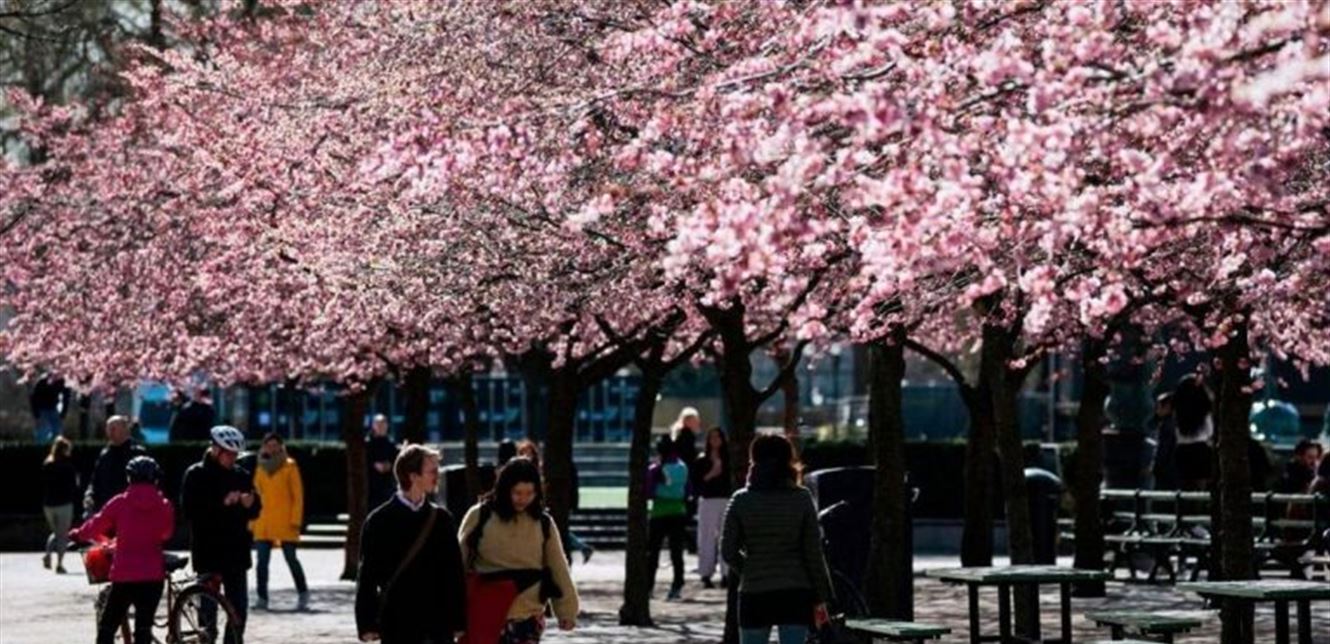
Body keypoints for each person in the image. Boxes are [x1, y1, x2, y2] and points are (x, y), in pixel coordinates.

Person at [721, 434, 833, 644]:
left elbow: (727, 550)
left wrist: (749, 569)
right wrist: (823, 595)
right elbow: (813, 552)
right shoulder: (802, 498)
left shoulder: (741, 500)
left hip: (755, 591)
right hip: (795, 590)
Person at [459, 457, 578, 644]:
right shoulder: (479, 515)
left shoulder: (544, 523)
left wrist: (567, 611)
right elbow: (458, 564)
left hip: (527, 618)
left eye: (530, 493)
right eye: (517, 493)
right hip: (484, 614)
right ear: (505, 489)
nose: (523, 499)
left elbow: (558, 567)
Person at [355, 444, 467, 644]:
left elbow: (454, 573)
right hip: (397, 622)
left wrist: (458, 620)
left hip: (437, 623)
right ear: (413, 476)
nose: (437, 476)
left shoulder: (442, 519)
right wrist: (367, 623)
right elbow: (367, 575)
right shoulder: (379, 521)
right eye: (432, 471)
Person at [70, 456, 174, 644]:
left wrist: (77, 534)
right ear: (155, 479)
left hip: (125, 575)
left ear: (129, 478)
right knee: (143, 628)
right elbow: (165, 534)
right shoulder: (165, 505)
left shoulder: (120, 502)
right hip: (153, 576)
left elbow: (96, 524)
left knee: (107, 627)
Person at [181, 426, 261, 640]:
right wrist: (223, 503)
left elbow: (255, 509)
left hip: (237, 553)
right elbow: (189, 511)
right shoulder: (196, 475)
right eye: (229, 454)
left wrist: (250, 504)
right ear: (216, 450)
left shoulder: (241, 474)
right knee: (207, 613)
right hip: (208, 552)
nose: (233, 459)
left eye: (236, 455)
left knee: (239, 611)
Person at [250, 433, 309, 612]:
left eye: (275, 445)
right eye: (269, 445)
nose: (272, 448)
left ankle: (303, 592)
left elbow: (297, 496)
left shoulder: (290, 466)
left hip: (285, 522)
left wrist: (295, 520)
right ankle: (262, 597)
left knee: (291, 559)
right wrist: (252, 521)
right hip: (263, 522)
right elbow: (255, 493)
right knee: (261, 562)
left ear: (281, 446)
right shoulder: (260, 467)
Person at [515, 440, 594, 564]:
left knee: (554, 530)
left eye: (528, 453)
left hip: (539, 507)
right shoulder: (519, 469)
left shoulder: (540, 468)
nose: (526, 456)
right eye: (523, 453)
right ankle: (582, 547)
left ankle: (581, 547)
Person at [648, 435, 689, 601]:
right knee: (676, 552)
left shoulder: (654, 469)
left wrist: (660, 491)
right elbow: (680, 492)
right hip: (677, 512)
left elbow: (651, 492)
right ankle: (677, 584)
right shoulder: (682, 467)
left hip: (659, 513)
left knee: (653, 552)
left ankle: (649, 586)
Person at [694, 427, 732, 589]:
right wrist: (712, 473)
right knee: (706, 538)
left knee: (726, 537)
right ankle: (706, 573)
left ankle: (727, 573)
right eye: (712, 437)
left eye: (718, 437)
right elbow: (698, 483)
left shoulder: (729, 459)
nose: (715, 440)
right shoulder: (702, 460)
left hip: (725, 499)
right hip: (708, 500)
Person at [85, 416, 147, 514]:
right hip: (106, 510)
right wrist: (89, 495)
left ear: (125, 430)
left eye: (113, 429)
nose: (110, 432)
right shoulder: (105, 455)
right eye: (108, 429)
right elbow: (95, 480)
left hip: (129, 512)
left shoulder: (137, 453)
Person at [41, 436, 80, 574]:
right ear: (64, 450)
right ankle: (60, 563)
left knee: (56, 533)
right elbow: (74, 485)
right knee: (62, 535)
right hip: (64, 504)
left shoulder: (47, 464)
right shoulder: (68, 466)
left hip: (48, 504)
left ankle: (47, 554)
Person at [1170, 375, 1215, 491]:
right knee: (1201, 488)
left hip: (1182, 450)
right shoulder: (1204, 409)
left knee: (1183, 488)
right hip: (1201, 450)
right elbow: (1210, 431)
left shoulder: (1178, 411)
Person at [367, 414, 399, 509]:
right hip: (372, 485)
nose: (381, 427)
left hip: (387, 484)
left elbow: (395, 460)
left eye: (383, 424)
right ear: (373, 426)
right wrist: (374, 465)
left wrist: (389, 465)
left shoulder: (391, 443)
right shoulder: (368, 443)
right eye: (378, 424)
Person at [1150, 391, 1178, 490]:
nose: (1157, 409)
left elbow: (1162, 449)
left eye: (1159, 405)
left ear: (1168, 406)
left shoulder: (1165, 426)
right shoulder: (1178, 423)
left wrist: (1154, 467)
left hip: (1165, 473)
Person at [29, 375, 68, 443]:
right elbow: (34, 397)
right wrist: (36, 413)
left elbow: (66, 396)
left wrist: (63, 412)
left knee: (56, 431)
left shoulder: (61, 381)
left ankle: (54, 448)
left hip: (53, 409)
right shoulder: (42, 382)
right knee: (44, 431)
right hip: (43, 409)